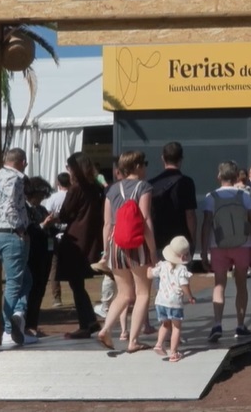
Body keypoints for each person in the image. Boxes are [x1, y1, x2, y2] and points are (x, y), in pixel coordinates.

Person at [95, 150, 156, 353]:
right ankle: (133, 340)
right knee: (143, 293)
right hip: (137, 244)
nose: (145, 167)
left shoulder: (112, 190)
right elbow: (145, 219)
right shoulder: (143, 187)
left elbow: (107, 223)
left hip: (115, 244)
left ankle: (106, 329)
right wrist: (153, 251)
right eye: (144, 163)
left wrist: (105, 251)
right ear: (137, 166)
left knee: (123, 293)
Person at [201, 160, 251, 341]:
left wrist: (203, 250)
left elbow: (206, 225)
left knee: (219, 285)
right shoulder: (245, 196)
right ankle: (240, 325)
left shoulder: (211, 197)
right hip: (243, 244)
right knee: (241, 285)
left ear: (219, 176)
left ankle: (217, 323)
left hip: (218, 245)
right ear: (236, 177)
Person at [0, 148, 36, 346]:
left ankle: (18, 319)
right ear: (22, 161)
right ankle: (8, 330)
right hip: (12, 234)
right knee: (14, 282)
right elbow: (10, 206)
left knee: (25, 279)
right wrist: (19, 228)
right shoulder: (16, 179)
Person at [55, 152, 105, 340]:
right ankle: (90, 321)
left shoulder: (76, 189)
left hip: (76, 238)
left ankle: (85, 324)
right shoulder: (96, 188)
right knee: (78, 284)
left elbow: (64, 213)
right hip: (91, 238)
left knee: (76, 284)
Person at [150, 236, 196, 362]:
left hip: (160, 301)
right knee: (176, 327)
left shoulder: (162, 265)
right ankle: (174, 352)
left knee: (165, 324)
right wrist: (190, 297)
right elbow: (184, 285)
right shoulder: (182, 269)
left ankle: (159, 344)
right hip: (174, 302)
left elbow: (150, 274)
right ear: (184, 256)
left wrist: (149, 269)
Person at [148, 141, 198, 254]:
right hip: (181, 241)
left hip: (158, 239)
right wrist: (193, 239)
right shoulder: (187, 182)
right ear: (181, 159)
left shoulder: (151, 184)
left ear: (163, 158)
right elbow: (190, 215)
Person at [23, 177, 56, 338]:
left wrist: (54, 224)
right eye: (40, 194)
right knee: (30, 289)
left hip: (45, 253)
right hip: (31, 253)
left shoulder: (42, 209)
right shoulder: (25, 209)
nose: (42, 197)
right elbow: (30, 230)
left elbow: (50, 229)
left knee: (40, 289)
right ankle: (25, 325)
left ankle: (33, 324)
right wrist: (44, 225)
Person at [44, 172, 70, 307]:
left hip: (54, 234)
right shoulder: (72, 196)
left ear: (58, 183)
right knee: (73, 264)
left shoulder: (53, 198)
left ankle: (57, 298)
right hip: (70, 233)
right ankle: (78, 293)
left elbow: (47, 214)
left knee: (54, 265)